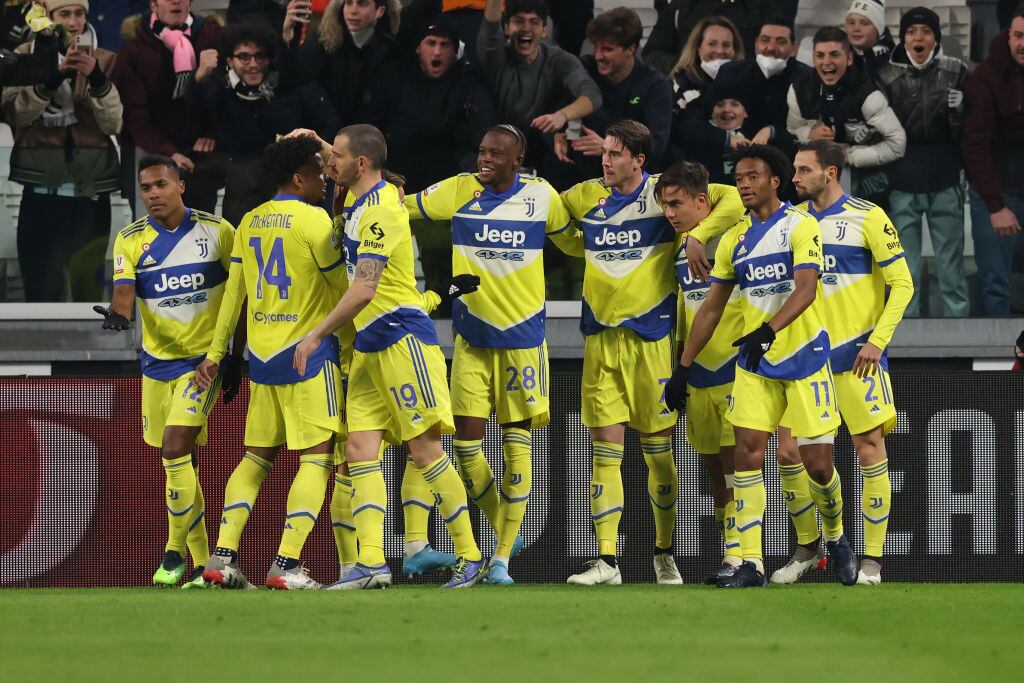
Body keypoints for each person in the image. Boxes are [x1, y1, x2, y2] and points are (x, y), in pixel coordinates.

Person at [292, 124, 486, 589]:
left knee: (425, 451)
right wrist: (315, 139)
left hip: (402, 340)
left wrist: (316, 334)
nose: (328, 162)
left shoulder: (383, 211)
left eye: (334, 155)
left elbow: (364, 288)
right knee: (359, 451)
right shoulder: (359, 204)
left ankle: (471, 555)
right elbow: (350, 157)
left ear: (360, 164)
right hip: (370, 349)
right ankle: (372, 563)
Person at [557, 120, 741, 585]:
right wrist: (579, 245)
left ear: (639, 160)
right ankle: (607, 560)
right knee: (603, 452)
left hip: (652, 342)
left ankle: (663, 553)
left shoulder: (663, 193)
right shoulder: (583, 196)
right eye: (605, 152)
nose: (606, 160)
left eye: (616, 154)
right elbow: (557, 226)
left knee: (658, 456)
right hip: (600, 340)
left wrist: (698, 236)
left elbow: (732, 199)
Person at [667, 144, 855, 588]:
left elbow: (807, 288)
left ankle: (837, 536)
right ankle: (749, 562)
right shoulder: (734, 239)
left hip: (805, 358)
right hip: (755, 364)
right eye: (739, 179)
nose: (744, 185)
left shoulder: (800, 224)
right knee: (747, 457)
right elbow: (710, 308)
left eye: (753, 177)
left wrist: (769, 329)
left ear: (775, 181)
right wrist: (683, 366)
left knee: (817, 465)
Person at [405, 125, 569, 584]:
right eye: (481, 151)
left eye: (497, 154)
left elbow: (575, 239)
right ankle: (504, 531)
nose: (486, 160)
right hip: (472, 341)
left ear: (518, 161)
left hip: (523, 344)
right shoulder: (457, 190)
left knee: (519, 450)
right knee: (466, 447)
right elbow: (403, 207)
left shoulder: (541, 196)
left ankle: (499, 560)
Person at [196, 137, 346, 591]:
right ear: (299, 178)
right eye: (319, 173)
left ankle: (221, 559)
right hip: (309, 357)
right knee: (317, 459)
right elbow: (344, 289)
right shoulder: (315, 221)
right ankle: (287, 563)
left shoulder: (250, 222)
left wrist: (217, 354)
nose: (325, 181)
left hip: (261, 361)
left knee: (255, 459)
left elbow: (232, 298)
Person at [94, 155, 239, 588]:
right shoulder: (131, 239)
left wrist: (234, 355)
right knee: (181, 463)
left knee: (174, 450)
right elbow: (124, 291)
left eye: (160, 184)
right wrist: (119, 316)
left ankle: (173, 550)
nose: (152, 194)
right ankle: (200, 565)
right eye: (145, 188)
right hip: (156, 366)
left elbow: (241, 293)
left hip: (202, 365)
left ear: (180, 186)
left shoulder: (217, 232)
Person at [786, 140, 912, 585]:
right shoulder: (792, 221)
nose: (795, 178)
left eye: (803, 170)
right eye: (795, 170)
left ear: (831, 172)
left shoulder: (868, 216)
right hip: (805, 361)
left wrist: (877, 342)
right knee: (796, 457)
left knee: (869, 449)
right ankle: (816, 545)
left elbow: (903, 285)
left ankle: (873, 560)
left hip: (858, 356)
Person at [655, 160, 745, 583]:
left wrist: (699, 235)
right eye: (664, 205)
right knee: (715, 473)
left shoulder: (735, 232)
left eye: (677, 204)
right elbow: (683, 309)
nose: (670, 213)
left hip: (732, 368)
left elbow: (730, 198)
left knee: (735, 469)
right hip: (696, 372)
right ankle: (736, 547)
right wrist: (679, 367)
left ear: (701, 201)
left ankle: (738, 556)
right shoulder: (679, 246)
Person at [2, 0, 122, 303]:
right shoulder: (24, 59)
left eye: (79, 13)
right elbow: (16, 115)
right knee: (42, 290)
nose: (73, 22)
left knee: (89, 292)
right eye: (64, 14)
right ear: (49, 19)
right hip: (40, 190)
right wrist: (52, 78)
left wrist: (96, 77)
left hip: (91, 192)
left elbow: (114, 123)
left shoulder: (106, 59)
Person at [370, 18, 496, 302]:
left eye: (444, 45)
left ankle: (441, 309)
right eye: (431, 44)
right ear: (418, 48)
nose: (437, 52)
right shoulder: (393, 77)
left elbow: (483, 130)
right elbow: (373, 129)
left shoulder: (468, 82)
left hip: (442, 183)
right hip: (394, 181)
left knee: (439, 253)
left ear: (455, 51)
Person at [192, 21, 341, 227]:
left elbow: (329, 123)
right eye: (244, 57)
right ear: (230, 60)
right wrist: (198, 80)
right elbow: (194, 115)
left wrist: (313, 153)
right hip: (243, 190)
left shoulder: (291, 87)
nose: (253, 64)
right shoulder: (220, 91)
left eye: (259, 56)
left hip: (293, 185)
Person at [878, 7, 970, 317]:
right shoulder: (887, 75)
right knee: (905, 264)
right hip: (903, 179)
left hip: (945, 176)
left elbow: (968, 132)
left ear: (936, 38)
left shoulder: (957, 70)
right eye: (912, 31)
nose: (919, 37)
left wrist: (960, 112)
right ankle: (905, 329)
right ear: (903, 37)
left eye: (926, 31)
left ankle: (959, 328)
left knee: (951, 263)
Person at [114, 0, 223, 214]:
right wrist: (169, 152)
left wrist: (213, 133)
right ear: (153, 4)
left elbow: (226, 99)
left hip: (200, 161)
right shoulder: (134, 48)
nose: (176, 1)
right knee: (155, 241)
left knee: (201, 238)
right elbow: (136, 115)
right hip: (151, 156)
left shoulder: (213, 37)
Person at [476, 0, 601, 171]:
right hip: (495, 152)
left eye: (534, 22)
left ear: (544, 30)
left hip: (540, 154)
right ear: (506, 29)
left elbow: (592, 95)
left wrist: (562, 115)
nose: (526, 28)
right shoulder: (496, 58)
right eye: (519, 21)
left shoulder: (558, 60)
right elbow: (490, 29)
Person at [552, 7, 672, 181]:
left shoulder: (655, 85)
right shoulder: (585, 69)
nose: (598, 56)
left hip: (632, 179)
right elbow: (555, 108)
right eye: (596, 48)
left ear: (631, 49)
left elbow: (656, 146)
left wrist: (609, 149)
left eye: (607, 49)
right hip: (582, 172)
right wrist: (557, 135)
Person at [787, 26, 906, 198]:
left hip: (865, 180)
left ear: (849, 58)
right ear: (813, 59)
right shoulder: (799, 90)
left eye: (834, 54)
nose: (826, 62)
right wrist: (809, 134)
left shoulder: (868, 95)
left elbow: (897, 144)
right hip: (814, 177)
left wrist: (849, 156)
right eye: (820, 55)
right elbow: (792, 130)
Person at [963, 8, 1024, 317]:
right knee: (995, 284)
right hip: (996, 195)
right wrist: (996, 206)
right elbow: (974, 146)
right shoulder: (987, 76)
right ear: (1008, 35)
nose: (1023, 44)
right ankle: (1000, 360)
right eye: (1019, 36)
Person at [280, 0, 400, 126]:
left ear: (380, 11)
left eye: (362, 4)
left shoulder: (393, 53)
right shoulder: (327, 44)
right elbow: (296, 79)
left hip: (373, 138)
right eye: (348, 3)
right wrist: (287, 37)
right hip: (331, 136)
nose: (353, 11)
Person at [713, 16, 813, 160]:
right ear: (755, 44)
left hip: (789, 158)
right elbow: (710, 118)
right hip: (736, 156)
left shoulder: (808, 79)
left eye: (781, 41)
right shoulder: (730, 73)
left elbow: (809, 130)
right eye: (765, 40)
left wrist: (773, 131)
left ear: (793, 49)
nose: (771, 48)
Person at [642, 0, 797, 75]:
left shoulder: (766, 8)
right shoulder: (682, 6)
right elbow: (652, 53)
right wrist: (689, 66)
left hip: (745, 100)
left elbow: (779, 54)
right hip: (688, 96)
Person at [673, 85, 765, 185]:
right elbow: (683, 129)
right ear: (712, 113)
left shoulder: (758, 134)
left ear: (746, 112)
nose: (726, 109)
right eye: (720, 105)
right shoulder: (698, 134)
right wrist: (727, 139)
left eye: (735, 104)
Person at [668, 15, 743, 120]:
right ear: (698, 48)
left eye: (726, 45)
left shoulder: (746, 81)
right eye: (712, 44)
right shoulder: (680, 84)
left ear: (734, 50)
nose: (720, 51)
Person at [845, 0, 895, 82]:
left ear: (878, 29)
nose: (856, 28)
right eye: (851, 22)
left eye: (864, 23)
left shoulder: (894, 64)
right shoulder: (839, 58)